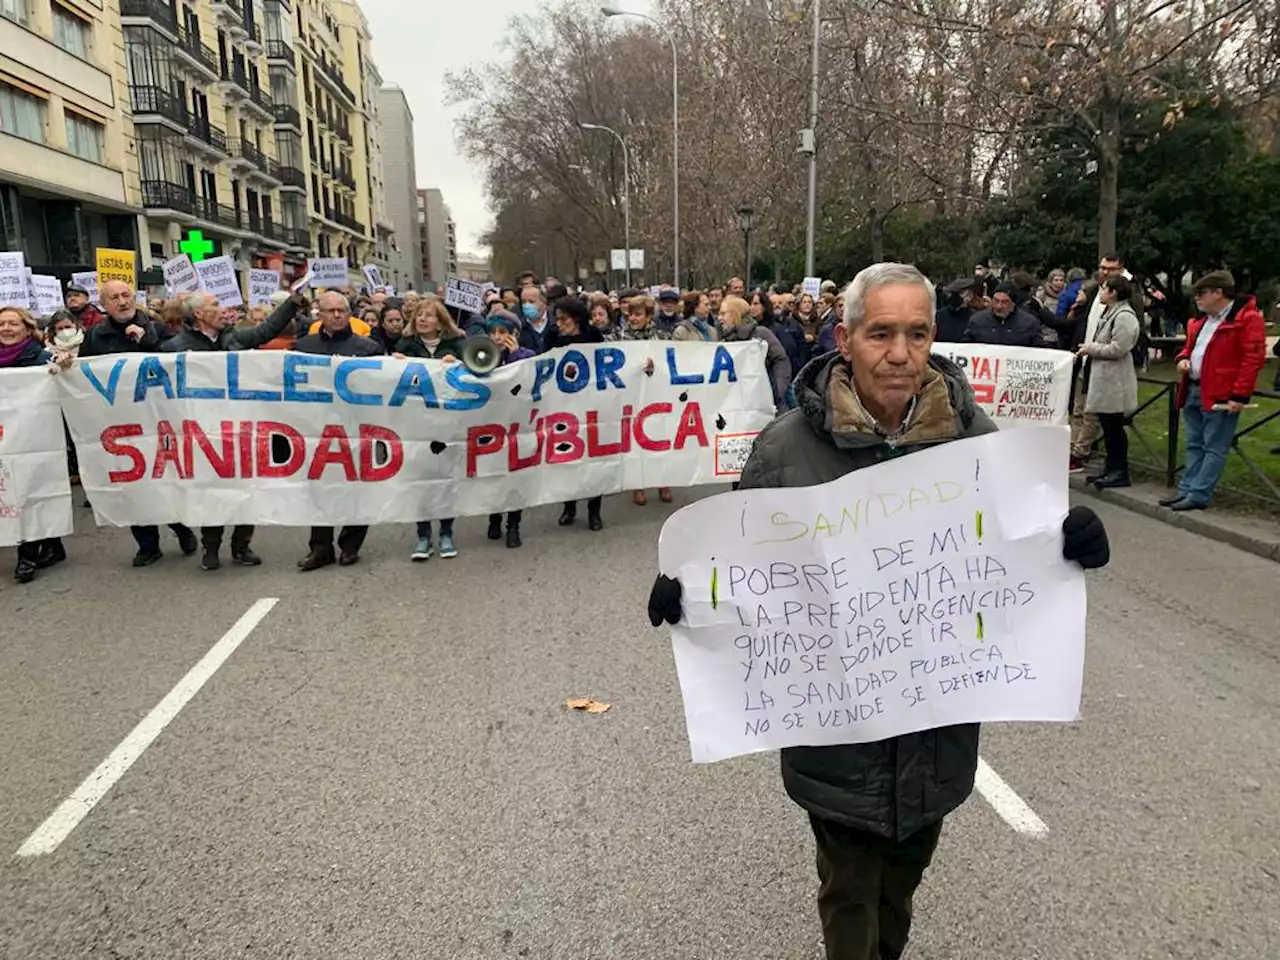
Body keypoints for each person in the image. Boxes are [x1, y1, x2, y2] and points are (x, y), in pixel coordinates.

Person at [646, 262, 1112, 960]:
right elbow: (743, 574)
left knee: (900, 888)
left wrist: (1072, 544)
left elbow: (1016, 555)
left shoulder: (976, 441)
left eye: (918, 334)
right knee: (851, 891)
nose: (900, 354)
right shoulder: (784, 450)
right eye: (882, 334)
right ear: (846, 336)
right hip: (836, 739)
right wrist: (689, 598)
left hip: (937, 737)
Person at [161, 289, 302, 569]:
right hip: (204, 431)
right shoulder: (175, 347)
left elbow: (266, 330)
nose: (223, 309)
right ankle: (210, 547)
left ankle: (242, 546)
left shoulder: (234, 337)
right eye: (215, 305)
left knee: (245, 487)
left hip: (241, 428)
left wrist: (291, 305)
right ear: (199, 314)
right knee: (212, 490)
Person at [79, 280, 198, 565]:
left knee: (161, 479)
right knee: (132, 485)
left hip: (157, 419)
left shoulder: (156, 328)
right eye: (114, 298)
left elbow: (175, 362)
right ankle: (147, 545)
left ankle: (179, 526)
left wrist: (147, 342)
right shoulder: (96, 335)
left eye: (125, 295)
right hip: (120, 423)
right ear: (104, 305)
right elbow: (84, 374)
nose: (122, 302)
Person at [1161, 270, 1266, 511]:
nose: (1197, 298)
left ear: (1219, 293)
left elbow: (1252, 359)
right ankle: (1187, 489)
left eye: (1202, 293)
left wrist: (1239, 394)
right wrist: (1183, 358)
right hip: (1195, 387)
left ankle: (1198, 493)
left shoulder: (1247, 319)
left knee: (1214, 446)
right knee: (1194, 443)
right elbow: (1191, 348)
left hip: (1221, 393)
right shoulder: (1203, 320)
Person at [295, 291, 383, 570]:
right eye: (329, 311)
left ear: (349, 314)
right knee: (319, 489)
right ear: (319, 314)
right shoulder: (303, 347)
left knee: (357, 489)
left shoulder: (368, 348)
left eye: (341, 311)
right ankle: (320, 548)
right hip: (317, 428)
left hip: (357, 429)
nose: (336, 316)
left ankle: (350, 545)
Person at [0, 306, 67, 582]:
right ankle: (53, 544)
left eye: (12, 324)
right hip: (5, 438)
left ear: (27, 329)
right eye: (1, 324)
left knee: (28, 489)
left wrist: (63, 366)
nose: (6, 328)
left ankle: (27, 554)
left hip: (33, 438)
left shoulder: (42, 359)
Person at [395, 297, 465, 561]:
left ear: (441, 321)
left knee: (446, 480)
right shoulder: (405, 347)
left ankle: (446, 532)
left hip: (447, 426)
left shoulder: (456, 346)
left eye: (429, 315)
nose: (423, 319)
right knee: (420, 481)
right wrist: (395, 365)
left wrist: (457, 364)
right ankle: (423, 535)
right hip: (416, 426)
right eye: (419, 315)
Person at [1076, 275, 1141, 489]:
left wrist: (1091, 348)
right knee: (1108, 425)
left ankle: (1119, 471)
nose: (1100, 293)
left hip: (1115, 382)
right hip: (1105, 379)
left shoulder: (1124, 316)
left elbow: (1118, 348)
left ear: (1113, 292)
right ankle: (1111, 468)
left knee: (1114, 428)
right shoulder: (1111, 312)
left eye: (1104, 289)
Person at [549, 298, 607, 531]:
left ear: (576, 318)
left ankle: (594, 511)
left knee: (594, 459)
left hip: (591, 405)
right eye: (557, 319)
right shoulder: (553, 338)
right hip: (563, 406)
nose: (559, 324)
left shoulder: (594, 336)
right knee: (567, 457)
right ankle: (569, 506)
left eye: (563, 319)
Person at [484, 311, 536, 547]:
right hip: (490, 424)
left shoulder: (526, 355)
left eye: (502, 332)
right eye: (492, 332)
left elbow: (526, 382)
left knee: (516, 476)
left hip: (518, 424)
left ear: (514, 334)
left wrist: (513, 355)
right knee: (493, 475)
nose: (496, 337)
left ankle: (513, 525)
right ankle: (494, 518)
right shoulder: (483, 355)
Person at [718, 294, 791, 411]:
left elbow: (781, 360)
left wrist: (777, 391)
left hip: (769, 404)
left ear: (735, 314)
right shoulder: (724, 341)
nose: (719, 318)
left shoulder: (761, 333)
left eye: (723, 314)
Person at [963, 282, 1044, 347]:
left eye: (1005, 302)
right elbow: (966, 348)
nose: (999, 306)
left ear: (1013, 303)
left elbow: (1039, 352)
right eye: (996, 301)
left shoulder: (1029, 323)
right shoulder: (977, 320)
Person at [518, 284, 555, 354]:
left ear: (543, 302)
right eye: (523, 302)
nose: (526, 305)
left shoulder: (556, 323)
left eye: (531, 301)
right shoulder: (519, 328)